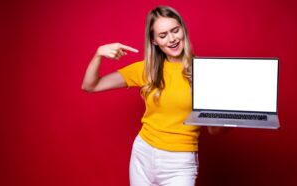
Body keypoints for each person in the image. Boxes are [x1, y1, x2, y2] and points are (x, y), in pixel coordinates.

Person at [82, 5, 225, 186]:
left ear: (183, 30)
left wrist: (233, 116)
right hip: (143, 154)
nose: (172, 39)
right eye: (163, 35)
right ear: (154, 40)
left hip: (179, 163)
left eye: (175, 31)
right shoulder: (146, 69)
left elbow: (214, 130)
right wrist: (98, 54)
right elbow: (90, 85)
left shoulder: (205, 73)